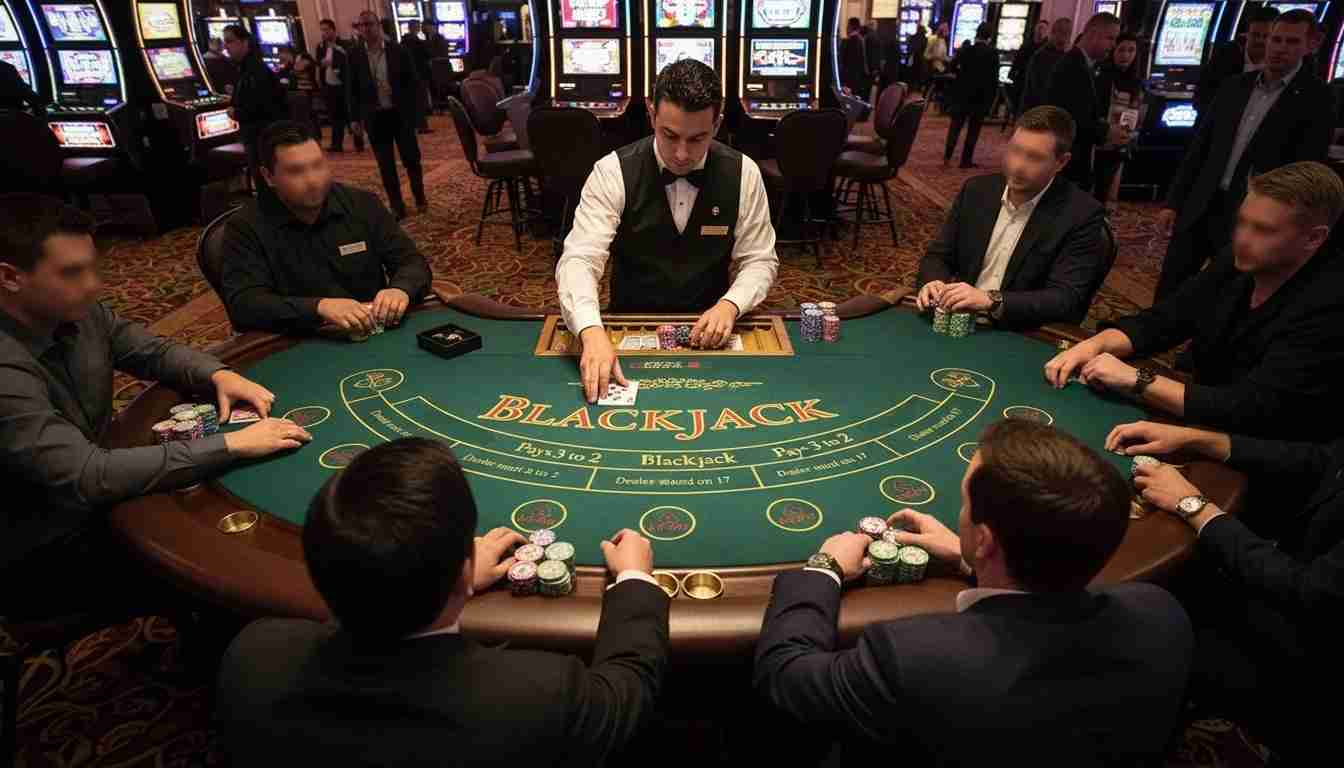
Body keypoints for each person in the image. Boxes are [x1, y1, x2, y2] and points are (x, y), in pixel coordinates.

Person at [753, 419, 1192, 764]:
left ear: (984, 539)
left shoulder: (914, 658)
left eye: (964, 503)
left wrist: (825, 568)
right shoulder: (1160, 613)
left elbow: (785, 676)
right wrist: (975, 561)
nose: (961, 512)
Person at [216, 437, 670, 765]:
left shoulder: (253, 655)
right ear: (464, 572)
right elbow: (627, 688)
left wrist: (457, 576)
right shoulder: (540, 697)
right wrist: (634, 578)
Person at [0, 194, 312, 619]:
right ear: (10, 277)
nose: (93, 285)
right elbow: (86, 476)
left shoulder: (79, 311)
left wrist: (219, 375)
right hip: (47, 544)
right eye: (72, 272)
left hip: (100, 486)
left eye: (93, 267)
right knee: (233, 563)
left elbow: (154, 352)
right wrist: (234, 445)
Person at [1045, 161, 1344, 441]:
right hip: (1205, 417)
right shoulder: (1238, 260)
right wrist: (1095, 344)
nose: (1242, 238)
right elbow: (1164, 320)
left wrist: (1139, 380)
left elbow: (1253, 407)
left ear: (1314, 238)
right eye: (1242, 222)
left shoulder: (1329, 306)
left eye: (1264, 230)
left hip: (1261, 446)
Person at [1106, 420, 1343, 759]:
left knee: (1138, 625)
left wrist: (1193, 504)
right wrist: (1200, 440)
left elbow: (1309, 592)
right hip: (1292, 582)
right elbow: (1325, 460)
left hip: (1314, 659)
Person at [556, 59, 779, 404]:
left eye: (698, 138)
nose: (681, 154)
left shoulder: (744, 173)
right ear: (651, 113)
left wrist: (730, 305)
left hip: (711, 329)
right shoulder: (612, 172)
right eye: (670, 135)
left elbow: (760, 260)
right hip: (629, 323)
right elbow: (579, 260)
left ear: (717, 124)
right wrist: (590, 330)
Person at [1153, 9, 1332, 300]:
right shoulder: (1234, 86)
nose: (1279, 48)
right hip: (1201, 203)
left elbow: (1305, 169)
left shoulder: (1317, 98)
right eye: (1276, 39)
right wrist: (1173, 203)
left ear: (1310, 45)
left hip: (1255, 214)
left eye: (1291, 42)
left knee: (1228, 294)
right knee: (1170, 287)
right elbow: (1200, 149)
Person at [220, 121, 430, 335]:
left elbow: (412, 262)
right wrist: (319, 308)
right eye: (295, 171)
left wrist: (400, 289)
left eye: (317, 165)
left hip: (373, 333)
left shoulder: (362, 204)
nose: (312, 180)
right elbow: (245, 304)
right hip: (300, 340)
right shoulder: (245, 227)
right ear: (268, 176)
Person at [918, 107, 1106, 329]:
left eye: (1034, 158)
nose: (1018, 166)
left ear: (1061, 162)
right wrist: (934, 281)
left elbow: (1065, 297)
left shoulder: (1082, 214)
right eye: (1015, 150)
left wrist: (991, 300)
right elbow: (939, 255)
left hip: (1023, 330)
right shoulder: (976, 191)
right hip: (961, 322)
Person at [347, 10, 427, 220]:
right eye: (362, 25)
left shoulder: (398, 50)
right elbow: (351, 89)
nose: (366, 29)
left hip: (400, 114)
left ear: (378, 26)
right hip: (375, 117)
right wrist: (354, 118)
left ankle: (420, 198)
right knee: (386, 165)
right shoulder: (354, 55)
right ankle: (396, 205)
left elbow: (413, 83)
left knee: (411, 159)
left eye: (370, 24)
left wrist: (416, 115)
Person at [1043, 13, 1125, 188]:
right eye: (1110, 38)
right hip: (1066, 166)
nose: (1113, 45)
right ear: (1093, 33)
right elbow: (1068, 121)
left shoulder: (1084, 64)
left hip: (1072, 162)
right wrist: (1106, 131)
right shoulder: (1071, 66)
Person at [223, 24, 288, 190]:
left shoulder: (254, 69)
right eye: (225, 42)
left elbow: (262, 107)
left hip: (261, 136)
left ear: (245, 42)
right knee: (266, 183)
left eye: (230, 41)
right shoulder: (247, 67)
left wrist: (236, 112)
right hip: (259, 135)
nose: (226, 47)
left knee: (266, 184)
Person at [1093, 32, 1144, 210]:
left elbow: (1136, 112)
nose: (1126, 55)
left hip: (1119, 142)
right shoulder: (1101, 74)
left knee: (1103, 190)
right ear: (1113, 50)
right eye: (1122, 50)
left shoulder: (1136, 81)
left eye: (1131, 50)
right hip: (1098, 139)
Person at [1197, 6, 1279, 117]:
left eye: (1266, 36)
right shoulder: (1227, 55)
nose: (1260, 40)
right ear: (1246, 34)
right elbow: (1202, 97)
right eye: (1255, 35)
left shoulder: (1280, 60)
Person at [943, 22, 999, 169]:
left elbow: (952, 66)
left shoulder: (966, 49)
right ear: (989, 36)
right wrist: (991, 100)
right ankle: (965, 160)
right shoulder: (993, 53)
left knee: (955, 126)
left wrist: (961, 76)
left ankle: (947, 156)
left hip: (962, 93)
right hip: (981, 96)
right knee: (973, 129)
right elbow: (994, 79)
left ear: (977, 34)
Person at [317, 19, 362, 153]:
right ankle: (336, 144)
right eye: (322, 30)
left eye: (326, 29)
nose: (324, 33)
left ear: (333, 30)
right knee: (335, 116)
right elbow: (319, 62)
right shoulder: (320, 46)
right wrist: (322, 64)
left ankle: (358, 143)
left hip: (344, 84)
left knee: (351, 115)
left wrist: (336, 63)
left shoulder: (344, 44)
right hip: (330, 86)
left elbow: (349, 61)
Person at [1020, 17, 1072, 112]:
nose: (1064, 36)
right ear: (1053, 32)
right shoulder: (1043, 56)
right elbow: (1040, 90)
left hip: (1043, 110)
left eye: (1067, 33)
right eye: (1062, 32)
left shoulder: (1063, 56)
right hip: (1040, 110)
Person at [1008, 19, 1051, 113]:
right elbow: (1016, 64)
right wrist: (1013, 77)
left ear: (1047, 32)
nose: (1040, 31)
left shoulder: (1048, 49)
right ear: (1035, 29)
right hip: (1022, 83)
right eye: (1039, 28)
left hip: (1038, 86)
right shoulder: (1026, 46)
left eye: (1043, 29)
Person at [401, 19, 434, 134]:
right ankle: (422, 126)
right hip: (419, 74)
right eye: (418, 26)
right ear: (414, 28)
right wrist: (428, 38)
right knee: (420, 101)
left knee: (413, 101)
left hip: (408, 74)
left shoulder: (403, 41)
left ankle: (414, 125)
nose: (420, 28)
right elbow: (428, 54)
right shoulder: (417, 41)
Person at [839, 18, 869, 102]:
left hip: (849, 81)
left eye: (847, 25)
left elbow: (845, 63)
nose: (846, 28)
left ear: (851, 27)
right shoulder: (861, 39)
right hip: (858, 80)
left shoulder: (849, 42)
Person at [863, 23, 882, 102]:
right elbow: (877, 54)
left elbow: (868, 54)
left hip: (869, 67)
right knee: (869, 88)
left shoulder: (868, 37)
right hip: (873, 67)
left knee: (866, 88)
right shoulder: (876, 37)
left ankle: (865, 103)